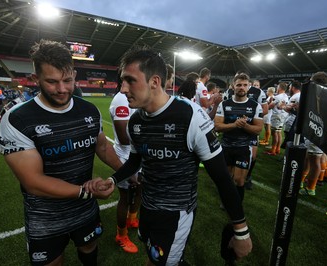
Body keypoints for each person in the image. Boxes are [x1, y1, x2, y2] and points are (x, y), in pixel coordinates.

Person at [93, 47, 252, 265]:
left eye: (130, 81)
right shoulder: (137, 121)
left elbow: (222, 178)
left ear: (155, 81)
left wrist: (241, 232)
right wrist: (112, 179)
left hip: (176, 215)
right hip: (147, 208)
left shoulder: (190, 116)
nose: (123, 88)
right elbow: (135, 161)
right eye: (123, 81)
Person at [0, 39, 122, 265]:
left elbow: (102, 146)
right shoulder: (17, 119)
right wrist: (86, 192)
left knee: (89, 248)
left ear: (74, 75)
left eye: (67, 80)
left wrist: (128, 173)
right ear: (36, 79)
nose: (62, 89)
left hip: (85, 209)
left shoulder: (89, 110)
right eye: (52, 82)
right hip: (45, 217)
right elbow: (33, 182)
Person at [214, 73, 264, 201]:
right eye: (239, 85)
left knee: (239, 180)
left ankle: (237, 206)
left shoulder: (255, 106)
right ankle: (226, 201)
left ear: (249, 87)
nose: (242, 87)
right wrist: (235, 124)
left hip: (243, 148)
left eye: (245, 85)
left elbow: (258, 130)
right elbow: (217, 126)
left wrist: (245, 126)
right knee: (227, 178)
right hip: (226, 147)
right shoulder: (224, 104)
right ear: (233, 86)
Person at [109, 84, 142, 254]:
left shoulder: (140, 96)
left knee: (140, 190)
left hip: (139, 154)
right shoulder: (122, 99)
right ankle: (121, 235)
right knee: (124, 197)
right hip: (125, 157)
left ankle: (133, 219)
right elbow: (123, 138)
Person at [265, 82, 288, 156]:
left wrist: (270, 102)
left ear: (280, 88)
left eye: (278, 87)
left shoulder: (277, 97)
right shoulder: (286, 96)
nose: (277, 88)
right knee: (278, 133)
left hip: (277, 116)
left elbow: (270, 106)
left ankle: (273, 150)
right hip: (283, 116)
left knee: (274, 133)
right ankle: (277, 149)